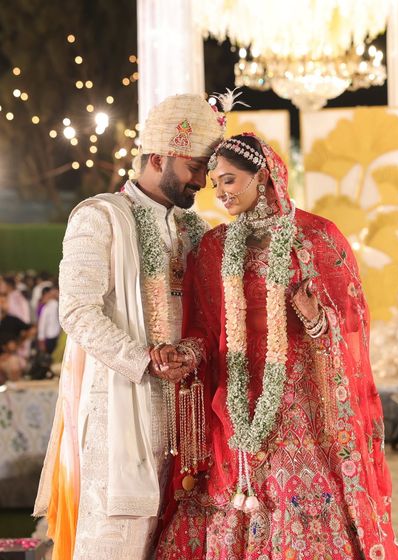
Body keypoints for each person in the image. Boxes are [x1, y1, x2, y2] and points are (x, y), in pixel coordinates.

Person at [155, 134, 398, 560]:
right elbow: (206, 332)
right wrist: (186, 354)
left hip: (303, 407)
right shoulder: (213, 249)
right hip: (235, 408)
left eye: (229, 180)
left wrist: (315, 318)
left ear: (262, 176)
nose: (221, 193)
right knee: (233, 499)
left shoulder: (317, 238)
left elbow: (354, 324)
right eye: (215, 184)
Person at [33, 93, 225, 560]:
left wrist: (191, 353)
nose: (202, 180)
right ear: (158, 158)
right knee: (116, 542)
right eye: (194, 167)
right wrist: (145, 360)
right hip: (120, 413)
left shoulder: (193, 229)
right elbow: (77, 310)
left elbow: (208, 315)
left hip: (187, 419)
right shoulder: (98, 217)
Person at [37, 286, 60, 354]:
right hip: (51, 336)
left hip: (52, 335)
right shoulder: (50, 305)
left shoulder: (52, 304)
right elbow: (42, 323)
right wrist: (41, 339)